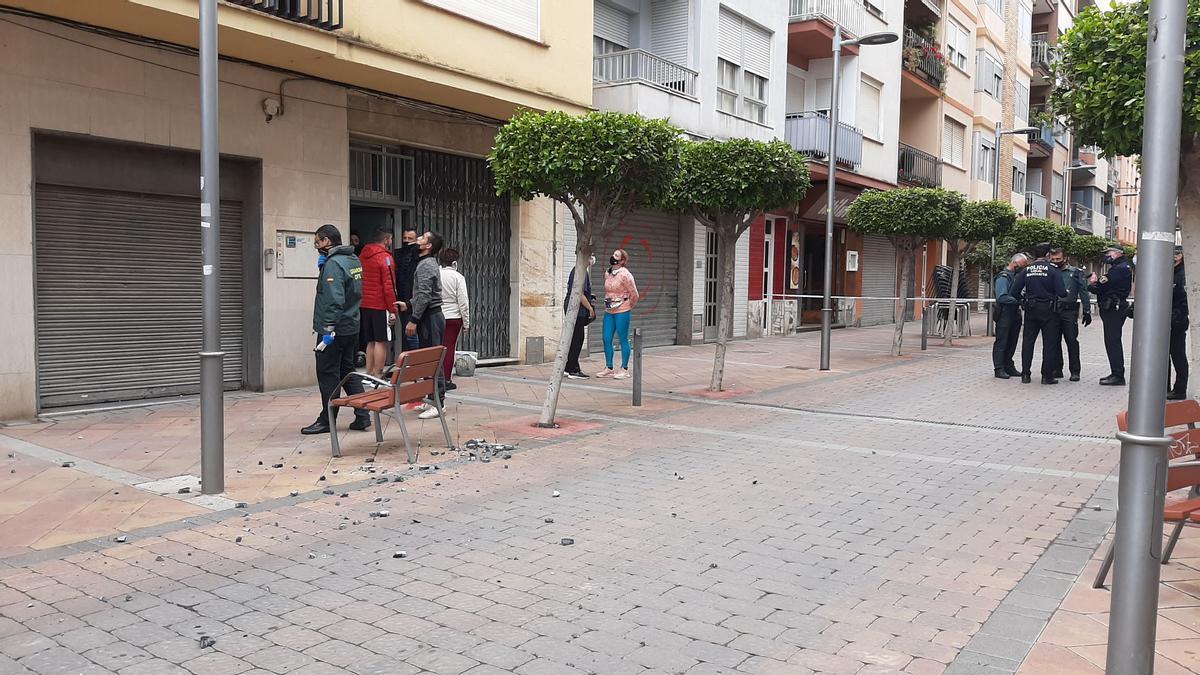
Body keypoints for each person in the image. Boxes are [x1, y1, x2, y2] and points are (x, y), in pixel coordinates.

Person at [302, 224, 371, 435]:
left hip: (334, 330)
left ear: (326, 241)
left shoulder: (334, 264)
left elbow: (334, 299)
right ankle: (362, 416)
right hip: (351, 326)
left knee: (327, 374)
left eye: (317, 241)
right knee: (348, 372)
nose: (316, 246)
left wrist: (328, 330)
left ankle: (327, 419)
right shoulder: (353, 260)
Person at [398, 231, 447, 419]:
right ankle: (431, 398)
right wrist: (409, 304)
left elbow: (426, 296)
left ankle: (438, 402)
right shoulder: (425, 263)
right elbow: (421, 295)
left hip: (430, 318)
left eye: (422, 238)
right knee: (428, 359)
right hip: (428, 316)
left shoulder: (426, 265)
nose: (417, 239)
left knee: (434, 360)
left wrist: (414, 319)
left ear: (428, 246)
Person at [1010, 242, 1066, 384]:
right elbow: (1061, 292)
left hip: (1031, 310)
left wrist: (1024, 301)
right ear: (1048, 255)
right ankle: (1046, 376)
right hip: (1049, 311)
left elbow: (1014, 291)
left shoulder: (1027, 270)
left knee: (1028, 342)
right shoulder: (1053, 270)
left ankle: (1025, 374)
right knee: (1049, 343)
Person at [1089, 246, 1134, 385]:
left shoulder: (1118, 269)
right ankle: (1116, 372)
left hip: (1113, 309)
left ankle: (1118, 375)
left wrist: (1092, 283)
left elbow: (1100, 287)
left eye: (1108, 253)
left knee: (1112, 342)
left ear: (1117, 253)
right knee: (1113, 341)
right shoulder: (1123, 266)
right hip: (1116, 307)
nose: (1106, 256)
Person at [1048, 247, 1093, 382]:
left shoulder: (1075, 272)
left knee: (1071, 341)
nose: (1056, 262)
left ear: (1065, 258)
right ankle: (1057, 369)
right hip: (1053, 310)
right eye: (1053, 259)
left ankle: (1075, 371)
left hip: (1069, 311)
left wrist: (1087, 310)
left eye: (1058, 259)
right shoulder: (1050, 272)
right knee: (1054, 341)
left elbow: (1083, 292)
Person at [358, 227, 397, 377]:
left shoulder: (362, 256)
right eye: (391, 239)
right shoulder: (386, 258)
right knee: (382, 340)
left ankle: (369, 372)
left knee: (370, 341)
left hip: (364, 304)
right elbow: (389, 286)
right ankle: (378, 373)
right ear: (386, 240)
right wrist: (393, 309)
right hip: (380, 305)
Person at [597, 249, 639, 380]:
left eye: (616, 255)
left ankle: (624, 368)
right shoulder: (608, 273)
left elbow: (634, 294)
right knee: (606, 337)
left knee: (623, 338)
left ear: (622, 261)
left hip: (622, 309)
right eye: (613, 254)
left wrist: (628, 306)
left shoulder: (625, 275)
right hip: (609, 309)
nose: (612, 257)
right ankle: (609, 367)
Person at [992, 253, 1030, 379]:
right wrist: (1018, 301)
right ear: (1014, 263)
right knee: (1002, 342)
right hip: (1004, 313)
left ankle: (1009, 365)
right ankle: (999, 368)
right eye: (1022, 266)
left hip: (1014, 313)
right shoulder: (1003, 277)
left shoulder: (1015, 276)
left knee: (1012, 341)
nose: (1023, 268)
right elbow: (1002, 297)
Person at [438, 248, 470, 392]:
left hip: (437, 316)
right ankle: (446, 379)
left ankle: (435, 377)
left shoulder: (436, 274)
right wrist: (466, 323)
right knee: (449, 348)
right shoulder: (458, 277)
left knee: (437, 348)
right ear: (455, 262)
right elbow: (463, 302)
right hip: (453, 318)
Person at [565, 255, 597, 379]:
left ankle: (569, 367)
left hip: (573, 308)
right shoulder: (581, 271)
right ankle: (573, 369)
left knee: (574, 339)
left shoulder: (578, 270)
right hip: (577, 310)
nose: (592, 260)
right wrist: (590, 308)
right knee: (578, 339)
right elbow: (580, 294)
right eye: (590, 257)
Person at [393, 227, 420, 352]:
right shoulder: (398, 254)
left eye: (410, 239)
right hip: (403, 300)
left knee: (412, 335)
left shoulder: (418, 256)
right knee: (408, 334)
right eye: (405, 238)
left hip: (416, 300)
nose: (407, 241)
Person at [1170, 246, 1189, 400]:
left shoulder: (1183, 274)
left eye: (1178, 254)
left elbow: (1185, 299)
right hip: (1167, 320)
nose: (1175, 256)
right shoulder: (1170, 271)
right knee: (1165, 356)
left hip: (1177, 320)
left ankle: (1180, 389)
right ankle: (1167, 387)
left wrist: (1178, 316)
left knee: (1178, 356)